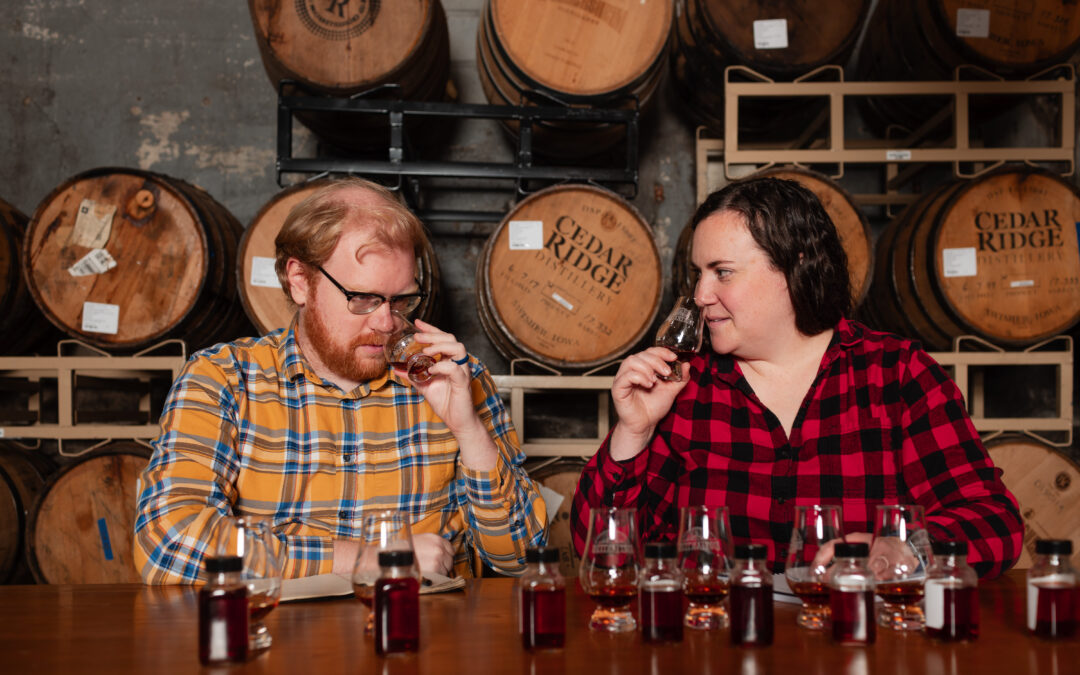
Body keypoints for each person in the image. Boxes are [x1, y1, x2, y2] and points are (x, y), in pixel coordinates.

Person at [570, 177, 1023, 578]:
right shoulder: (686, 389)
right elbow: (603, 556)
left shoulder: (898, 375)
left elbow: (993, 523)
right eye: (698, 273)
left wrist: (903, 550)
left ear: (794, 266)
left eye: (722, 272)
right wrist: (634, 433)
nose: (701, 295)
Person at [134, 178, 547, 584]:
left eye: (401, 300)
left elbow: (519, 557)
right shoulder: (223, 379)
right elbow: (169, 542)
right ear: (300, 281)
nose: (386, 322)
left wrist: (468, 430)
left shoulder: (456, 378)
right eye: (362, 298)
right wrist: (375, 557)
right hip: (278, 646)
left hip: (419, 642)